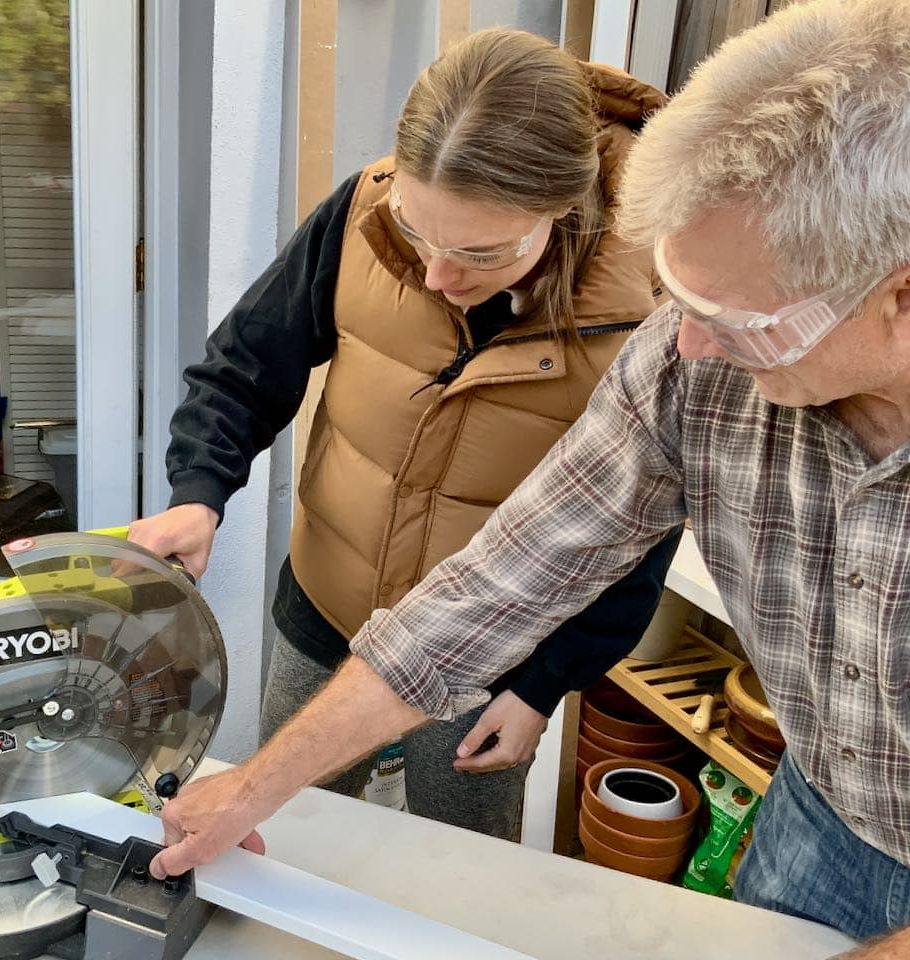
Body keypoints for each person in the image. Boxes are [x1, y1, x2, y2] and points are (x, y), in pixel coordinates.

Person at [145, 0, 910, 953]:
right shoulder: (686, 361)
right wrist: (249, 789)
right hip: (827, 810)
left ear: (898, 296)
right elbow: (509, 575)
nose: (690, 341)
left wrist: (541, 684)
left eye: (736, 314)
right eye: (682, 294)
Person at [129, 27, 680, 841]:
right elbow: (243, 367)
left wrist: (542, 686)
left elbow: (641, 531)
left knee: (455, 865)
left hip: (496, 666)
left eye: (477, 251)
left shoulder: (653, 310)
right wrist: (198, 494)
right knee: (290, 834)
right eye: (417, 233)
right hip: (326, 606)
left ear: (561, 209)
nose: (434, 276)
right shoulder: (360, 213)